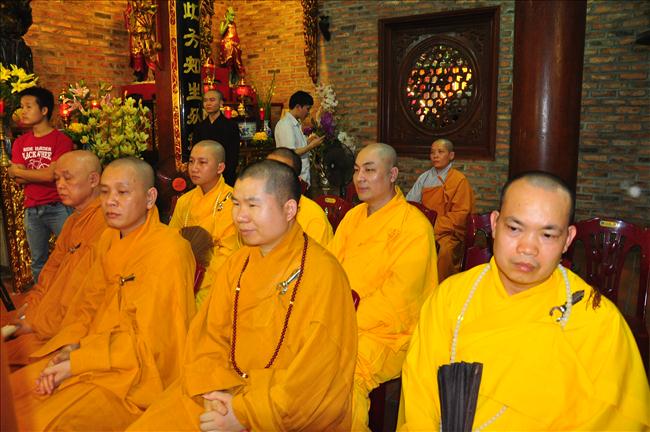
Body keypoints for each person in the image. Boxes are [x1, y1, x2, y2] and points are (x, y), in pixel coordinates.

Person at [399, 171, 650, 431]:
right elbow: (419, 396)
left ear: (567, 240)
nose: (528, 248)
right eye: (515, 228)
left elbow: (618, 418)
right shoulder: (450, 298)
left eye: (547, 235)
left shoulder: (597, 322)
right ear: (495, 224)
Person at [127, 160, 357, 431]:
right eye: (236, 204)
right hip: (219, 389)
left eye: (253, 205)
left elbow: (317, 378)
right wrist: (214, 393)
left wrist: (243, 414)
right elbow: (208, 337)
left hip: (278, 408)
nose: (240, 216)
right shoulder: (238, 263)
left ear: (289, 209)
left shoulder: (323, 274)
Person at [10, 157, 196, 431]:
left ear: (149, 198)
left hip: (137, 378)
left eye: (122, 192)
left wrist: (79, 362)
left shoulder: (169, 250)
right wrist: (71, 347)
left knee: (44, 423)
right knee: (14, 395)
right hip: (93, 355)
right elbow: (87, 304)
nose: (110, 201)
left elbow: (154, 343)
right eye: (105, 192)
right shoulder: (108, 238)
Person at [328, 143, 438, 430]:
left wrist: (343, 321)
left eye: (369, 170)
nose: (360, 178)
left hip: (389, 333)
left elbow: (399, 300)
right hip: (340, 320)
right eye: (356, 170)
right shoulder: (352, 217)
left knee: (344, 375)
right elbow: (329, 270)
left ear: (392, 175)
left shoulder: (414, 227)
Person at [5, 150, 106, 366]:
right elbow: (52, 271)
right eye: (57, 178)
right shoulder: (72, 222)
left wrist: (40, 319)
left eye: (67, 178)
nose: (60, 185)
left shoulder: (107, 222)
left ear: (93, 180)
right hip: (51, 318)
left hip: (76, 326)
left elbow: (88, 288)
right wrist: (33, 306)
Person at [8, 86, 74, 282]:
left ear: (44, 110)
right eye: (22, 107)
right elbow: (18, 179)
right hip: (32, 209)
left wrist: (20, 172)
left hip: (58, 207)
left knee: (70, 254)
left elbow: (50, 176)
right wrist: (31, 174)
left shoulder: (61, 140)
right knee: (38, 261)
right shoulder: (20, 142)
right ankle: (42, 297)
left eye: (28, 107)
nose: (23, 111)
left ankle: (70, 294)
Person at [169, 140, 237, 306]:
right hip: (184, 275)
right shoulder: (184, 201)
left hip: (216, 281)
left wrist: (200, 282)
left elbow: (228, 252)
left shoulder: (233, 201)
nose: (194, 168)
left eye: (202, 162)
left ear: (220, 168)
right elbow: (171, 241)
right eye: (191, 161)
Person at [406, 138, 474, 282]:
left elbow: (460, 214)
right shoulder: (424, 178)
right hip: (423, 227)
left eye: (440, 152)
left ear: (451, 155)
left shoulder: (459, 180)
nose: (435, 156)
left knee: (444, 251)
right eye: (432, 153)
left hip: (447, 233)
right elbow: (411, 204)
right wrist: (421, 226)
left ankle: (441, 287)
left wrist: (435, 227)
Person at [267, 147, 333, 244]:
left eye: (279, 175)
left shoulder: (312, 219)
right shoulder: (257, 209)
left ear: (296, 181)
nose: (269, 180)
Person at [274, 90, 325, 187]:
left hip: (302, 176)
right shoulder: (285, 124)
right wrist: (312, 145)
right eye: (307, 109)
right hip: (293, 177)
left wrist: (308, 141)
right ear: (298, 107)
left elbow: (297, 145)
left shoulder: (295, 123)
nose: (308, 113)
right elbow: (291, 153)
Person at [192, 89, 241, 185]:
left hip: (225, 174)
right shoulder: (199, 127)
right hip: (204, 174)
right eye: (205, 100)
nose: (208, 103)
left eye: (212, 100)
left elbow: (233, 153)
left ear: (221, 103)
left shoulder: (230, 126)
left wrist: (224, 171)